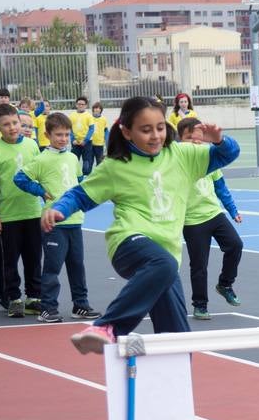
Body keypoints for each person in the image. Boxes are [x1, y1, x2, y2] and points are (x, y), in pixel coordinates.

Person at [43, 96, 240, 354]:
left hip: (166, 257)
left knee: (178, 342)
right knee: (163, 263)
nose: (155, 136)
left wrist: (220, 139)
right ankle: (107, 327)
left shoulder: (183, 155)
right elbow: (80, 194)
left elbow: (228, 154)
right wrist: (59, 208)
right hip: (129, 243)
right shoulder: (115, 166)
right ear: (126, 131)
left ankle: (173, 388)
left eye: (159, 127)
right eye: (145, 130)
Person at [14, 112, 98, 324]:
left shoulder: (72, 157)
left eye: (67, 134)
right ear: (47, 134)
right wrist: (40, 191)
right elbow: (20, 178)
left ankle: (80, 304)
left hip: (75, 220)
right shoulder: (41, 159)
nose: (63, 138)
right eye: (58, 134)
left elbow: (79, 182)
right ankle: (48, 308)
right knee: (52, 267)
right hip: (54, 223)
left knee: (77, 265)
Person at [177, 117, 243, 321]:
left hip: (214, 213)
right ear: (180, 139)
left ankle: (225, 284)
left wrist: (232, 210)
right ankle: (200, 304)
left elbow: (221, 187)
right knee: (199, 265)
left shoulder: (207, 158)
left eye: (198, 138)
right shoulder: (177, 161)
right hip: (192, 221)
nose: (195, 142)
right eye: (189, 138)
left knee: (235, 245)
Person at [0, 103, 44, 316]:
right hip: (8, 216)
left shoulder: (32, 146)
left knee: (34, 257)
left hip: (32, 212)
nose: (12, 127)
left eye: (15, 123)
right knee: (9, 260)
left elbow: (40, 176)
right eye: (6, 124)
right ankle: (14, 298)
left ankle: (34, 296)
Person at [84, 101, 108, 176]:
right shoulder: (89, 118)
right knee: (89, 161)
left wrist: (107, 142)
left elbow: (106, 131)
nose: (97, 110)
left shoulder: (104, 119)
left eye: (98, 108)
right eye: (95, 108)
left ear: (101, 110)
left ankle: (99, 177)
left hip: (100, 144)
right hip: (90, 144)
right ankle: (87, 177)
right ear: (93, 109)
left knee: (99, 162)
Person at [69, 96, 92, 164]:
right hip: (75, 142)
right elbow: (69, 129)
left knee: (87, 163)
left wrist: (85, 140)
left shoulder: (89, 116)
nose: (81, 106)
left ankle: (85, 174)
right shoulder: (72, 116)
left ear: (86, 105)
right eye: (79, 104)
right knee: (74, 162)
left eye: (83, 104)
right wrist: (73, 140)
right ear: (76, 105)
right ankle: (75, 174)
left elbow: (91, 129)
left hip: (87, 143)